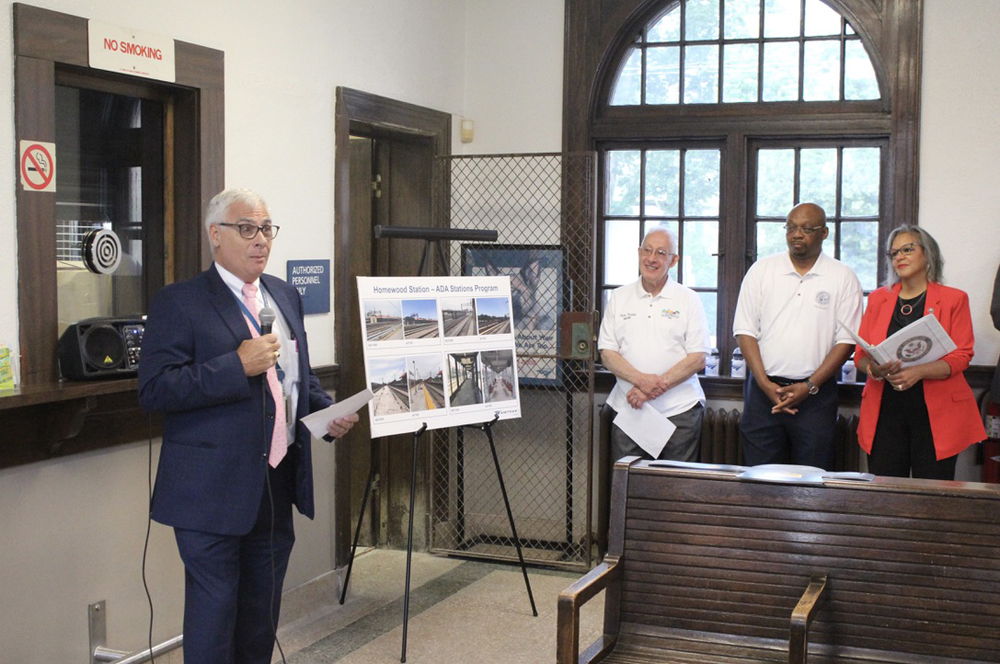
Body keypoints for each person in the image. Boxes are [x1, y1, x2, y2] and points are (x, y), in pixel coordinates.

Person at [138, 188, 358, 664]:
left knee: (260, 619)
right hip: (209, 494)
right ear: (215, 235)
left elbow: (297, 377)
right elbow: (155, 390)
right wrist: (235, 366)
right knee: (215, 620)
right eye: (247, 229)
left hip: (275, 484)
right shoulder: (179, 302)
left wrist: (325, 411)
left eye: (266, 229)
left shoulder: (284, 294)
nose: (260, 240)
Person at [733, 202, 862, 470]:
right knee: (760, 477)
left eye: (806, 228)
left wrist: (810, 386)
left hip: (816, 394)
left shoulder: (843, 276)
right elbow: (745, 331)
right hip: (763, 393)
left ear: (824, 233)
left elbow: (847, 341)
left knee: (813, 480)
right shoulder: (761, 270)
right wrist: (764, 383)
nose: (797, 234)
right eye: (791, 228)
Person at [853, 225, 984, 479]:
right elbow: (860, 354)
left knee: (933, 498)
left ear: (928, 254)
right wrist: (874, 369)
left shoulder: (954, 299)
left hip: (936, 416)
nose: (899, 257)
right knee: (887, 494)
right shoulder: (879, 299)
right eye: (894, 253)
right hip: (885, 412)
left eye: (907, 249)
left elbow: (962, 356)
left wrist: (918, 372)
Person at [598, 227, 711, 463]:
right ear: (639, 253)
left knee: (674, 491)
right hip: (630, 409)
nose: (651, 258)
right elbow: (607, 353)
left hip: (679, 413)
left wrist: (652, 387)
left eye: (660, 253)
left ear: (673, 260)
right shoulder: (619, 297)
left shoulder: (689, 299)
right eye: (647, 250)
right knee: (629, 491)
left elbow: (698, 357)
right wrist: (641, 382)